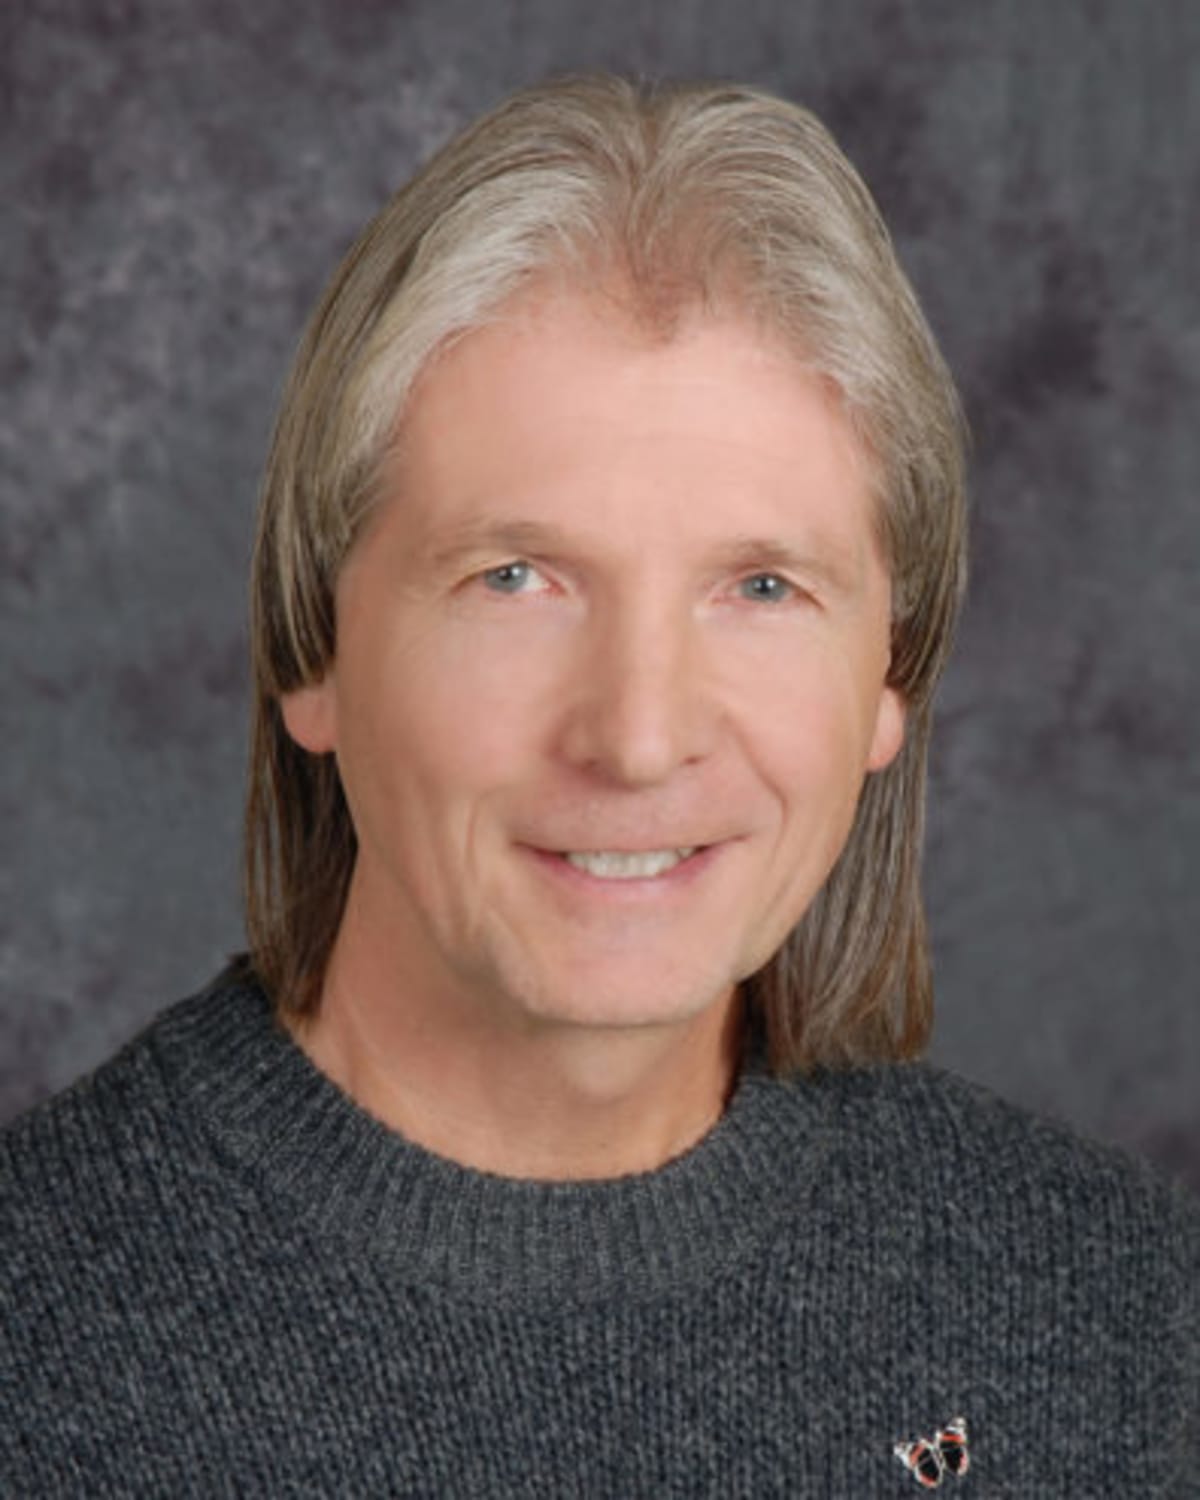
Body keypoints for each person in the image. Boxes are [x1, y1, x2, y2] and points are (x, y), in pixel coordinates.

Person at [3, 75, 1195, 1496]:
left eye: (762, 587)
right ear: (313, 645)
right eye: (517, 578)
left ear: (893, 673)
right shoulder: (36, 1345)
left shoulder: (1123, 1324)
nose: (637, 738)